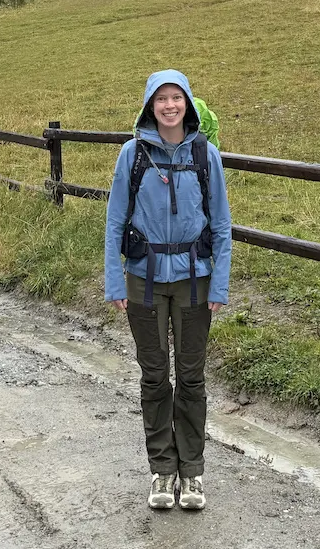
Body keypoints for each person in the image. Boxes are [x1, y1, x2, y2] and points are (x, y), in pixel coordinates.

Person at [105, 69, 232, 512]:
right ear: (150, 106)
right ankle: (162, 469)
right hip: (144, 278)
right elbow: (115, 219)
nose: (170, 106)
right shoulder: (132, 154)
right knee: (156, 375)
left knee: (192, 378)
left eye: (177, 98)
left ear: (188, 104)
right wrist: (114, 278)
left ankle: (192, 474)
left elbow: (221, 224)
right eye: (162, 99)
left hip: (195, 280)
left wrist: (220, 281)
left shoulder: (206, 154)